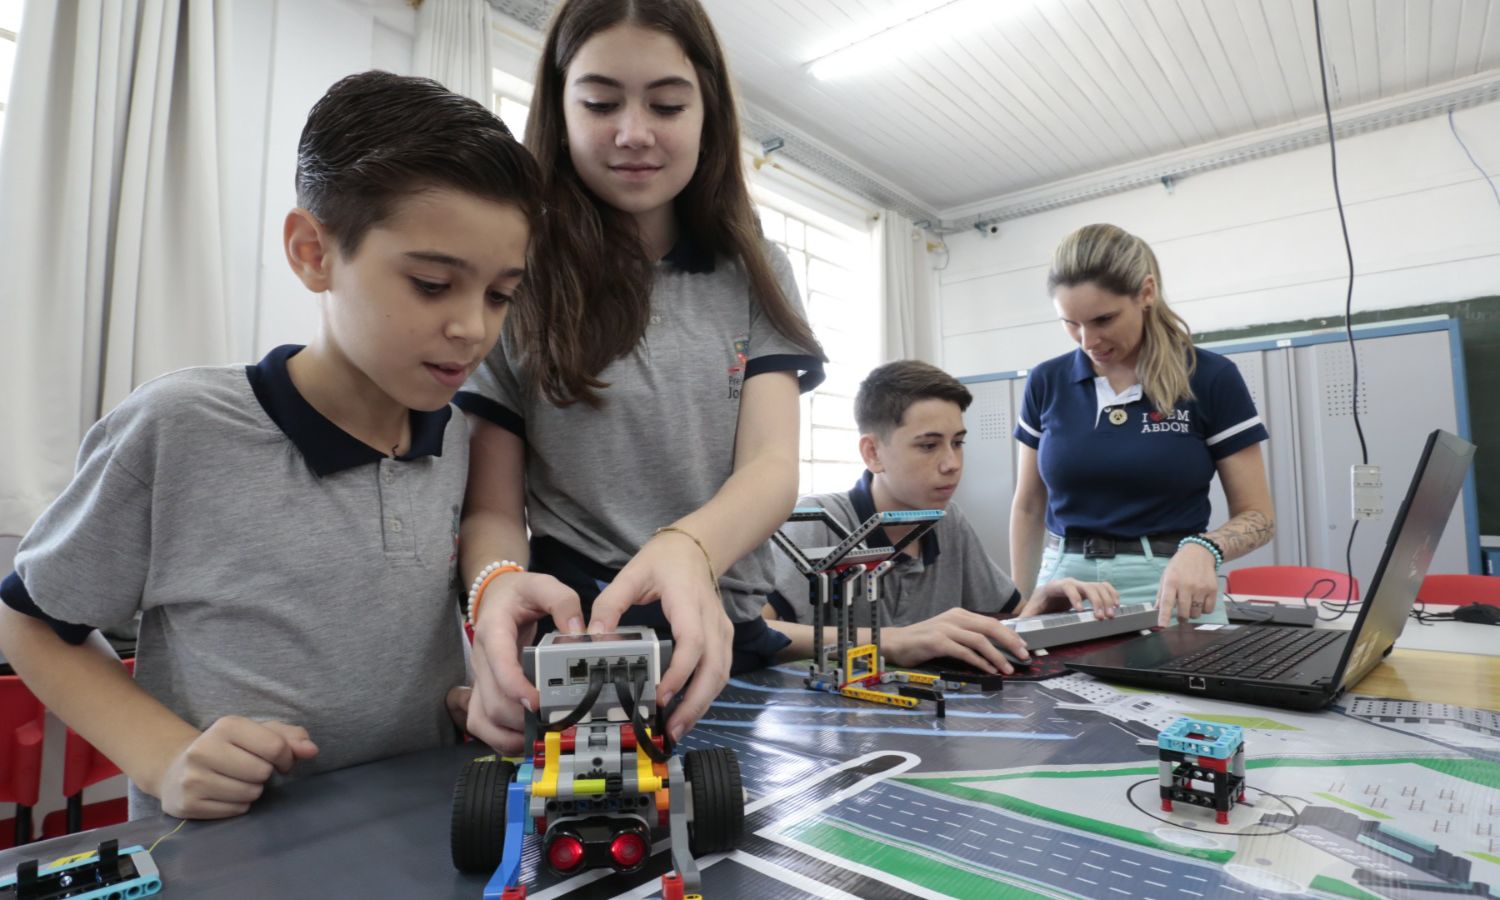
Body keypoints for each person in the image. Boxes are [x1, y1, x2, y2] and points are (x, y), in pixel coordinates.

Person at [0, 71, 541, 819]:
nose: (472, 329)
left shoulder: (454, 439)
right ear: (313, 252)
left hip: (417, 835)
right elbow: (30, 622)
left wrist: (467, 702)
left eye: (499, 294)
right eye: (430, 283)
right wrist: (166, 757)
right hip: (229, 857)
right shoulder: (179, 427)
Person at [456, 0, 825, 754]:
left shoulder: (753, 270)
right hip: (578, 637)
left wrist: (689, 548)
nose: (633, 132)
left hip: (727, 636)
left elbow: (771, 465)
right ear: (559, 111)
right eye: (599, 102)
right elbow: (491, 507)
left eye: (666, 103)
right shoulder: (518, 276)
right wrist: (493, 586)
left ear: (708, 112)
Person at [761, 361, 1118, 673]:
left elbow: (1005, 625)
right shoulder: (813, 521)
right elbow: (751, 632)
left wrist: (1038, 611)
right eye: (929, 446)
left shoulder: (948, 523)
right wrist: (893, 641)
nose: (952, 464)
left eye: (958, 443)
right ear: (873, 453)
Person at [1010, 223, 1275, 627]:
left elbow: (1258, 516)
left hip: (1170, 587)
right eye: (1070, 323)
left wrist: (1205, 548)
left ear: (1146, 293)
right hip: (1065, 588)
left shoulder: (1210, 377)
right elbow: (1029, 504)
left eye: (1103, 319)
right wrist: (1021, 601)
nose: (1087, 340)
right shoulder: (1046, 381)